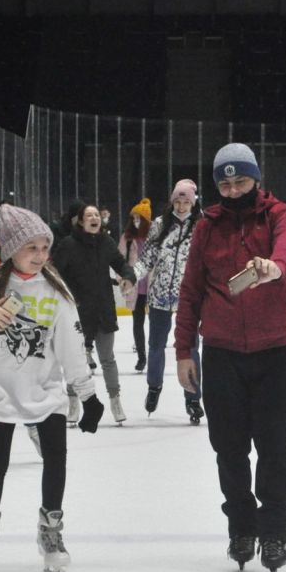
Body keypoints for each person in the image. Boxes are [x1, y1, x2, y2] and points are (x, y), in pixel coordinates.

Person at [0, 203, 103, 572]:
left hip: (47, 393)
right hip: (1, 394)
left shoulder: (56, 290)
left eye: (45, 247)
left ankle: (51, 530)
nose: (40, 255)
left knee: (56, 460)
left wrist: (88, 392)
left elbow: (71, 346)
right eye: (32, 248)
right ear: (13, 248)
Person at [174, 143, 286, 572]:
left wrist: (274, 267)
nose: (231, 190)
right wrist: (184, 352)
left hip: (274, 352)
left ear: (256, 180)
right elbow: (190, 292)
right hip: (223, 353)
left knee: (273, 448)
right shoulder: (206, 227)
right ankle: (241, 529)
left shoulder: (279, 215)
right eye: (224, 184)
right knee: (228, 449)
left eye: (240, 181)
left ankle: (275, 532)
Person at [53, 204, 136, 425]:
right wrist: (69, 297)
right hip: (78, 313)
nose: (94, 218)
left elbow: (121, 264)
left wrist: (129, 277)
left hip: (103, 311)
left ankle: (115, 400)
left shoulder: (106, 243)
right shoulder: (68, 245)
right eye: (89, 215)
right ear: (80, 221)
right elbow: (56, 274)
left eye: (96, 215)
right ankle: (73, 401)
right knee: (75, 360)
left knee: (107, 358)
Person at [132, 181, 204, 424]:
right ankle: (154, 387)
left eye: (186, 202)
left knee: (191, 348)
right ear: (172, 201)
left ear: (193, 203)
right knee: (156, 346)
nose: (182, 206)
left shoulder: (200, 227)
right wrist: (132, 275)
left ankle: (193, 399)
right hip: (160, 297)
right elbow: (147, 257)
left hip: (188, 298)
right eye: (178, 201)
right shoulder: (160, 225)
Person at [119, 198, 152, 372]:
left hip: (153, 286)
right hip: (136, 287)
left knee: (155, 323)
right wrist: (123, 280)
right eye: (134, 218)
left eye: (140, 218)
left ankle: (153, 355)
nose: (136, 222)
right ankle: (142, 356)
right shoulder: (127, 237)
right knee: (137, 323)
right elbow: (119, 259)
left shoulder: (155, 236)